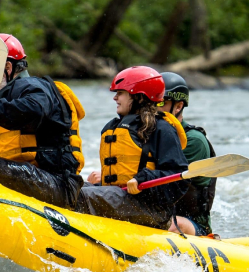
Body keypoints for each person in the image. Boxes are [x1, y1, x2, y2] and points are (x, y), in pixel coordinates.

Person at [0, 34, 83, 210]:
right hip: (40, 180)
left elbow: (34, 110)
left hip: (56, 184)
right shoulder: (17, 94)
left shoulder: (33, 86)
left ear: (8, 68)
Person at [77, 67, 189, 230]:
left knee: (77, 196)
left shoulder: (162, 129)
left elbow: (178, 178)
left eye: (121, 93)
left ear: (139, 97)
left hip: (149, 208)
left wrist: (143, 178)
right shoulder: (112, 127)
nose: (115, 97)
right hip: (118, 197)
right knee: (71, 186)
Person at [161, 72, 216, 236]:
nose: (152, 108)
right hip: (154, 214)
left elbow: (168, 188)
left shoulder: (194, 141)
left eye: (160, 102)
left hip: (192, 225)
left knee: (169, 224)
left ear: (178, 106)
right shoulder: (143, 135)